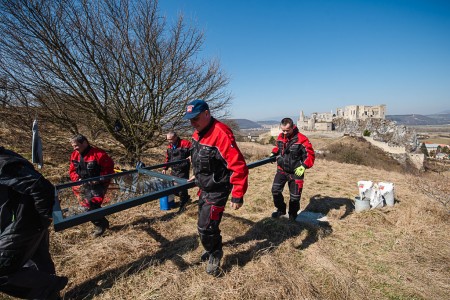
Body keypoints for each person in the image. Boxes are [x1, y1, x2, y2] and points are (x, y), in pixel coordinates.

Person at [183, 99, 249, 276]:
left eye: (195, 118)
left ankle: (215, 253)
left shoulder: (221, 134)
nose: (192, 123)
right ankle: (212, 246)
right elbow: (200, 158)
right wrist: (196, 174)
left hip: (218, 188)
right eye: (189, 119)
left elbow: (238, 165)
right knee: (206, 225)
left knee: (205, 226)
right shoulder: (197, 133)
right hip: (204, 186)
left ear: (206, 113)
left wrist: (237, 194)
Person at [0, 146, 68, 299]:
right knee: (38, 262)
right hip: (24, 223)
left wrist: (45, 217)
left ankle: (50, 286)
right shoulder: (6, 157)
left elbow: (41, 187)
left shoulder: (4, 163)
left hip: (22, 225)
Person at [69, 134, 114, 237]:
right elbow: (72, 171)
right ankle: (103, 223)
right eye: (73, 146)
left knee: (92, 206)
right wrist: (78, 180)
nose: (75, 148)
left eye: (76, 145)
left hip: (98, 185)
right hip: (81, 185)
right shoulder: (74, 155)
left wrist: (99, 179)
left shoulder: (99, 154)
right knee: (85, 206)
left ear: (84, 143)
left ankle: (100, 226)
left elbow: (109, 169)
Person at [270, 118, 315, 220]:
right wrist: (273, 152)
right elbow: (278, 147)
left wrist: (303, 166)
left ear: (293, 127)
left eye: (287, 130)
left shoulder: (302, 139)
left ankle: (292, 215)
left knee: (295, 197)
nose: (285, 132)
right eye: (283, 130)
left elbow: (310, 155)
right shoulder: (281, 137)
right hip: (281, 169)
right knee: (275, 190)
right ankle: (281, 210)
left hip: (296, 172)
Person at [161, 131, 192, 213]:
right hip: (174, 170)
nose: (169, 141)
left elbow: (195, 151)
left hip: (183, 170)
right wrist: (165, 168)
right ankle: (186, 197)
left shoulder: (185, 144)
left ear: (175, 137)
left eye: (170, 139)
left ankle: (182, 207)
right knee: (174, 189)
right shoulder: (170, 146)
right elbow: (168, 158)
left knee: (182, 189)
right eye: (167, 140)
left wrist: (191, 156)